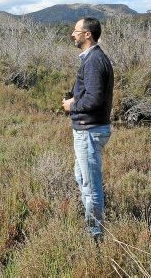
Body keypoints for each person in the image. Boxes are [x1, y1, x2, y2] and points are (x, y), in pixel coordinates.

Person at [62, 17, 114, 240]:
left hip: (89, 131)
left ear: (87, 35)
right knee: (81, 177)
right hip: (90, 129)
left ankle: (95, 236)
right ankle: (93, 226)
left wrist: (71, 104)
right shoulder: (92, 59)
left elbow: (94, 100)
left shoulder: (93, 61)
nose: (72, 35)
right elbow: (92, 94)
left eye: (76, 31)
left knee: (91, 185)